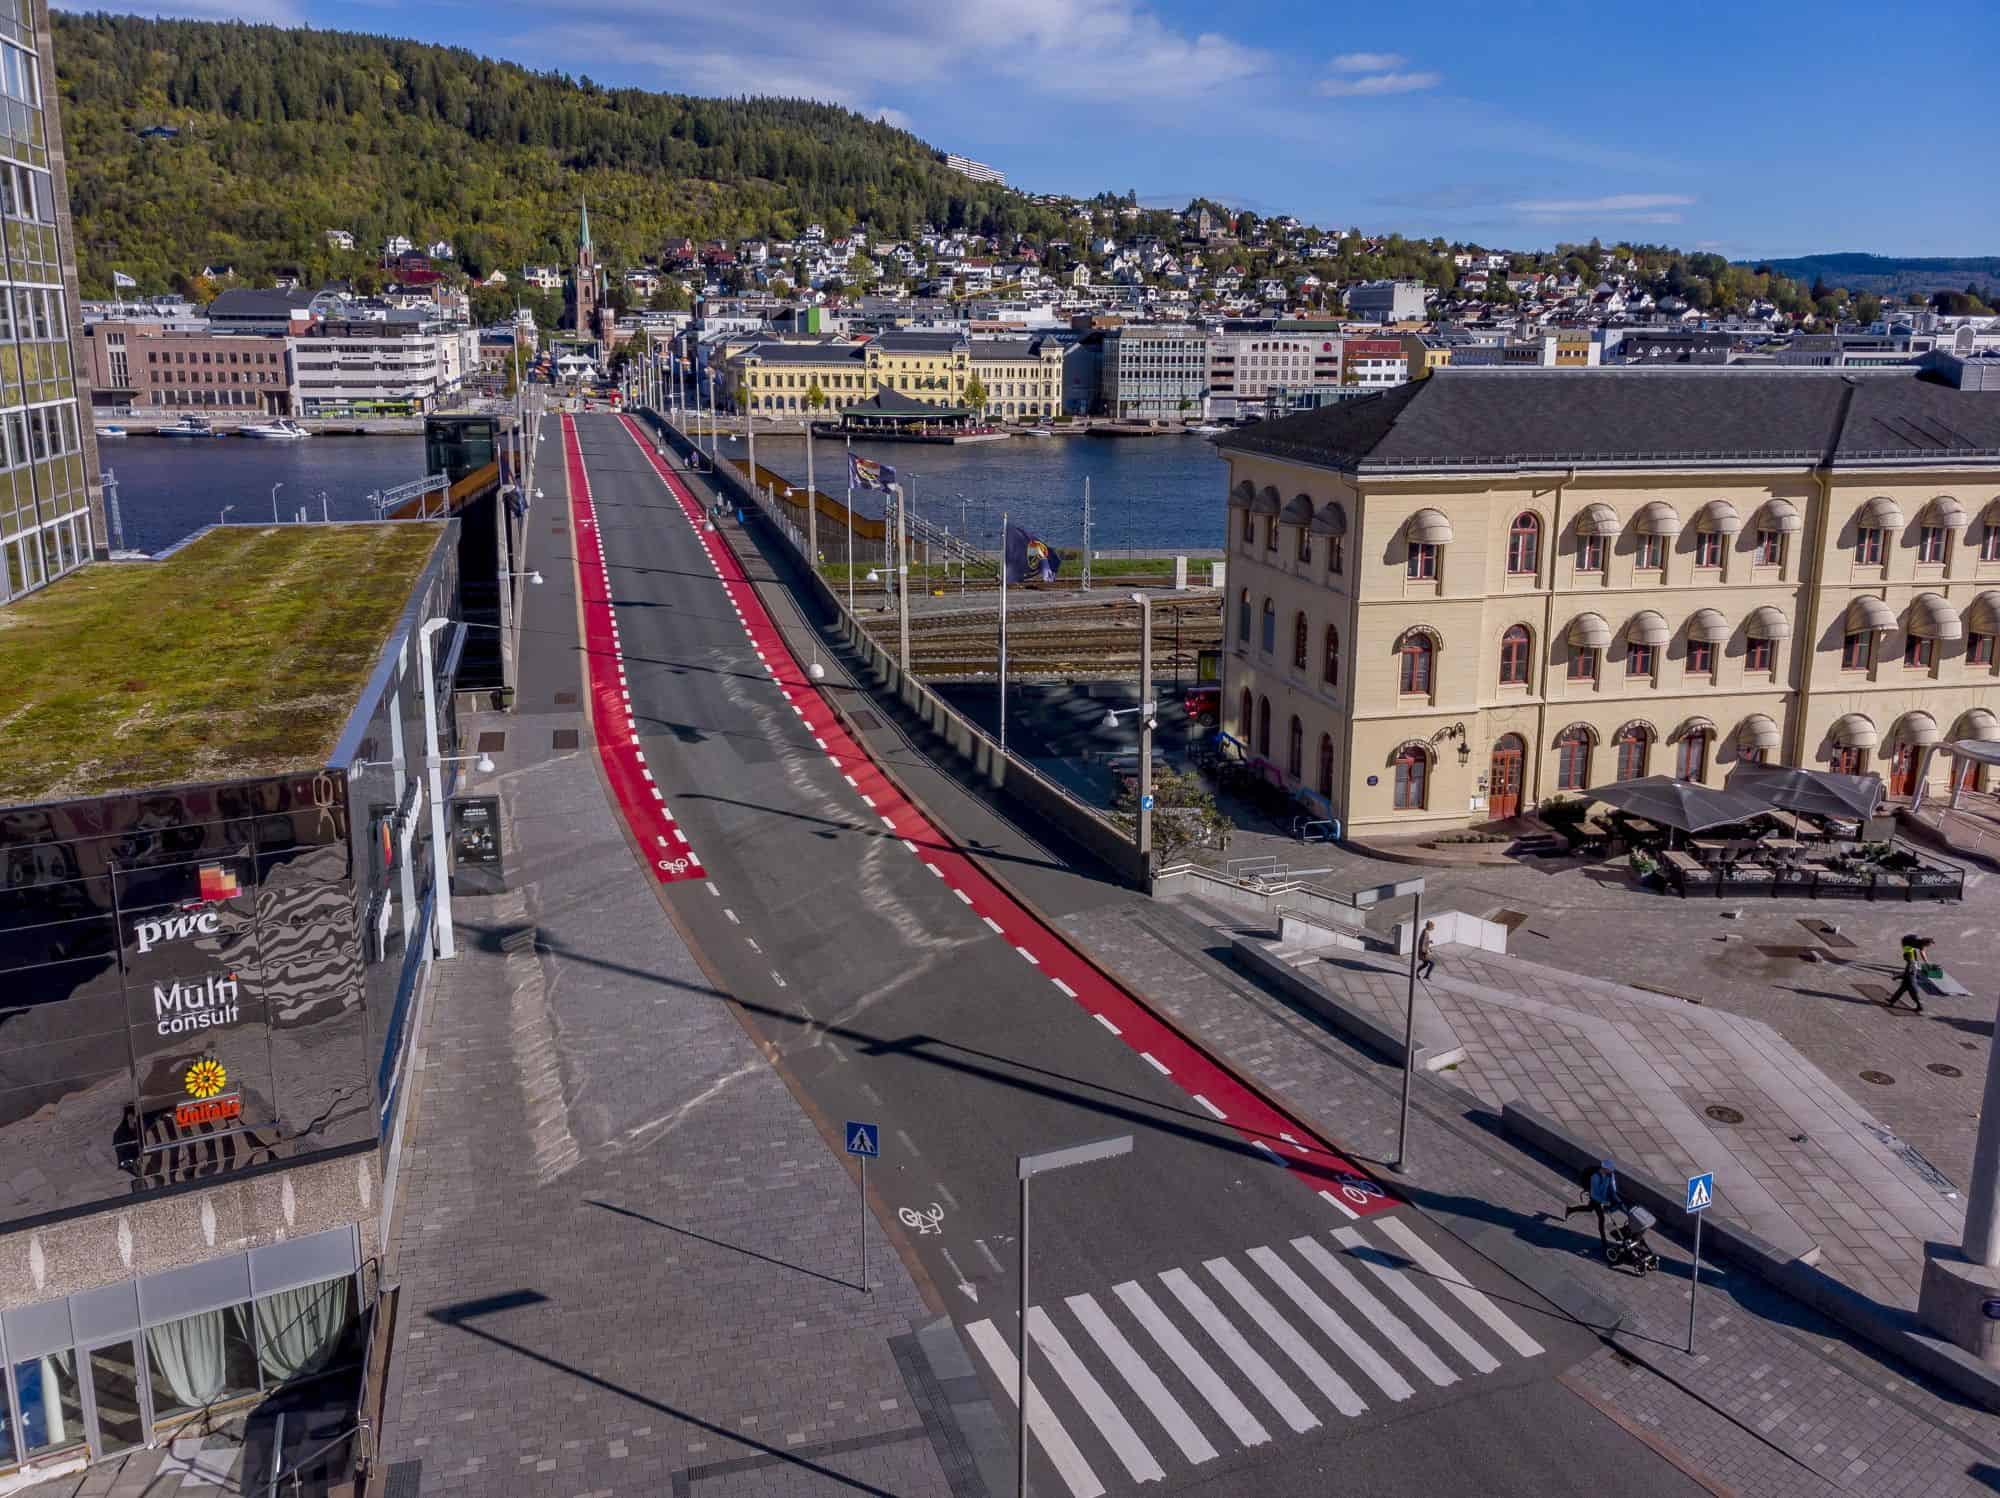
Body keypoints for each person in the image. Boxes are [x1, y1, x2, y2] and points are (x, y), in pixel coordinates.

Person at [1565, 1158, 1623, 1253]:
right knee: (1602, 1218)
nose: (1612, 1171)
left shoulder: (1610, 1174)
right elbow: (1594, 1195)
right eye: (1610, 1169)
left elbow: (1613, 1187)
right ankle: (1604, 1241)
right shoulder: (1595, 1177)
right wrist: (1604, 1202)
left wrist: (1615, 1199)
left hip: (1602, 1195)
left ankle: (1570, 1210)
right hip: (1596, 1197)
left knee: (1589, 1209)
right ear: (1604, 1168)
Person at [1886, 935, 1930, 1013]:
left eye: (1905, 957)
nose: (1904, 959)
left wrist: (1897, 976)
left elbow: (1908, 973)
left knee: (1914, 995)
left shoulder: (1911, 963)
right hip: (1909, 980)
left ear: (1907, 957)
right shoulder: (1912, 960)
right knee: (1901, 990)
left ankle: (1920, 1006)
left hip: (1911, 983)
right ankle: (1892, 1000)